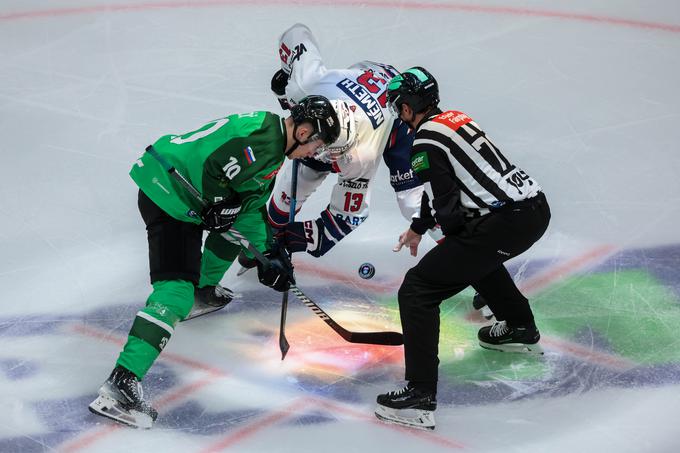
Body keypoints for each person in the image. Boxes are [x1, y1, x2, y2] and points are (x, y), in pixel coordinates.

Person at [88, 95, 341, 429]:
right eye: (318, 145)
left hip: (177, 187)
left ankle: (203, 291)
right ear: (305, 131)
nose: (315, 154)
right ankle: (121, 384)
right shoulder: (264, 143)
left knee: (227, 231)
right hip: (168, 194)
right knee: (174, 293)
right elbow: (215, 168)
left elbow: (248, 207)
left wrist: (267, 255)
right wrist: (220, 204)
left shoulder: (272, 140)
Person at [375, 67, 551, 430]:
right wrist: (419, 227)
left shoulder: (423, 142)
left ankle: (420, 396)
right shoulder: (454, 119)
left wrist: (447, 236)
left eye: (398, 106)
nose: (398, 114)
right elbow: (451, 186)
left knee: (418, 290)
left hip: (506, 221)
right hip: (533, 208)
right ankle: (519, 327)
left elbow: (447, 203)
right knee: (473, 254)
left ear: (408, 107)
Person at [247, 23, 440, 262]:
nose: (325, 157)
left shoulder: (361, 156)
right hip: (359, 80)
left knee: (412, 201)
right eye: (323, 148)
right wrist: (288, 87)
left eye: (334, 153)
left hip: (392, 120)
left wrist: (302, 237)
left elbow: (349, 215)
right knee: (289, 191)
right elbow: (296, 33)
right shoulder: (308, 85)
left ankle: (465, 251)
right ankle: (263, 243)